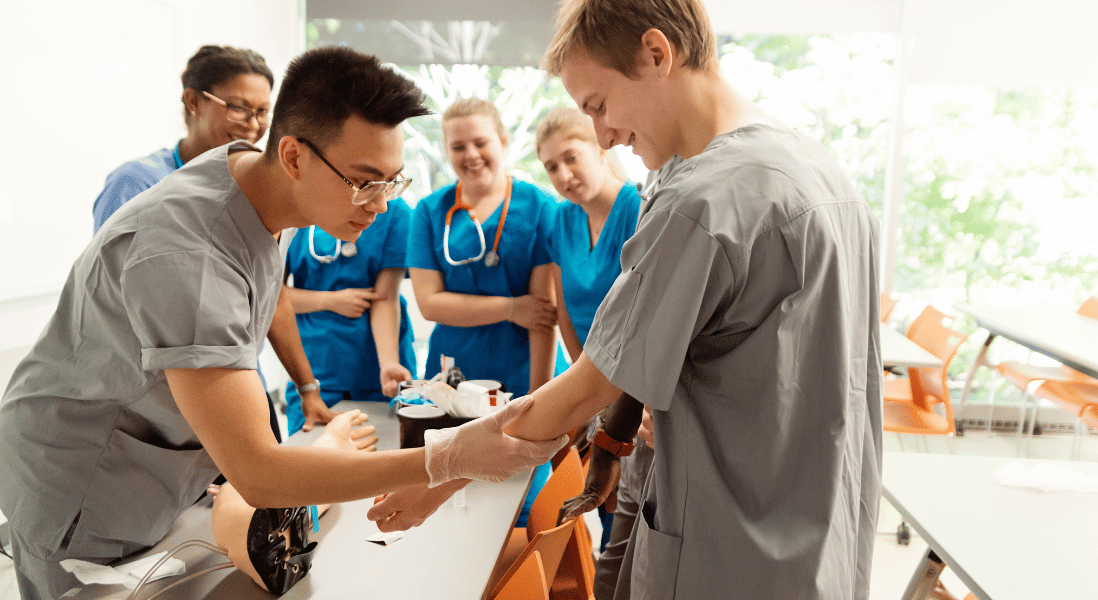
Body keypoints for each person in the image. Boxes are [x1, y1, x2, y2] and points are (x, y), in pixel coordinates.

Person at [0, 46, 567, 600]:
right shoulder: (188, 255)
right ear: (294, 157)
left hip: (161, 467)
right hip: (79, 483)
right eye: (366, 182)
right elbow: (260, 476)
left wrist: (307, 391)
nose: (381, 205)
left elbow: (263, 302)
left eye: (393, 183)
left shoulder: (261, 187)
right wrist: (447, 458)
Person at [369, 1, 884, 599]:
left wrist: (439, 472)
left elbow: (590, 382)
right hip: (821, 525)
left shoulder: (705, 200)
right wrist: (612, 443)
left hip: (732, 543)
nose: (604, 134)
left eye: (599, 106)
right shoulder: (820, 171)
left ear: (656, 54)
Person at [89, 44, 330, 441]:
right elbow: (115, 299)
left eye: (262, 112)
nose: (252, 125)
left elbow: (273, 296)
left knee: (266, 494)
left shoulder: (256, 190)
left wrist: (307, 388)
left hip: (236, 383)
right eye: (238, 108)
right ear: (192, 102)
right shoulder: (139, 184)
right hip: (155, 397)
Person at [405, 97, 568, 526]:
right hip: (452, 375)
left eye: (481, 142)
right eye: (458, 147)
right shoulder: (429, 212)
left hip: (519, 374)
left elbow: (543, 315)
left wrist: (538, 400)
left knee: (519, 504)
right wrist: (511, 307)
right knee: (450, 499)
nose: (471, 155)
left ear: (503, 141)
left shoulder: (540, 208)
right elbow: (429, 303)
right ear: (446, 152)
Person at [535, 106, 642, 555]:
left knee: (629, 520)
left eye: (571, 158)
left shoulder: (638, 208)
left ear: (601, 148)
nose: (563, 175)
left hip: (637, 387)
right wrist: (584, 385)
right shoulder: (562, 219)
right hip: (589, 379)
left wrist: (609, 399)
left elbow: (643, 318)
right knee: (596, 510)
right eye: (551, 167)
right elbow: (565, 309)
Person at [281, 195, 417, 435]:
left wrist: (388, 364)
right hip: (315, 368)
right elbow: (270, 294)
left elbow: (385, 298)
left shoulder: (395, 212)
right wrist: (330, 300)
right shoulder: (291, 208)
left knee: (383, 459)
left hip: (376, 371)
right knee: (311, 460)